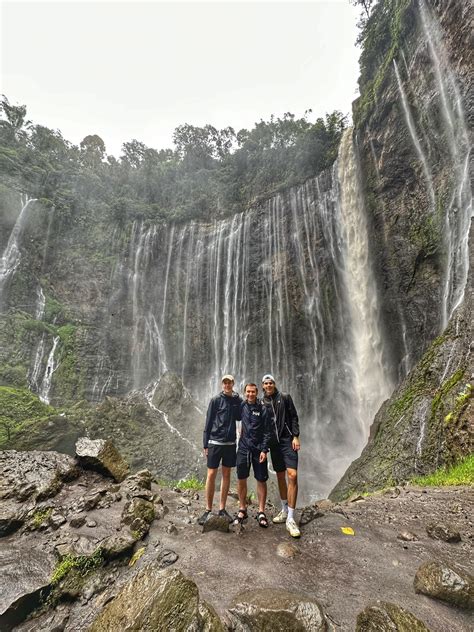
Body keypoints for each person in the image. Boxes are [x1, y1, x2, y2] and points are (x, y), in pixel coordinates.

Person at [261, 374, 301, 538]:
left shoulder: (284, 397)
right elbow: (262, 426)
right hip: (273, 444)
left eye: (271, 383)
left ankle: (291, 518)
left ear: (274, 384)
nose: (269, 385)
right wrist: (264, 448)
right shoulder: (262, 403)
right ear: (263, 386)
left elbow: (293, 417)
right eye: (266, 383)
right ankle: (284, 509)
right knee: (280, 476)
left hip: (287, 441)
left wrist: (296, 436)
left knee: (292, 475)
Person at [199, 374, 242, 525]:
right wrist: (205, 444)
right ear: (222, 384)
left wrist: (237, 400)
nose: (227, 385)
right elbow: (208, 421)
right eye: (225, 382)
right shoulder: (215, 400)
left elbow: (240, 416)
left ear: (233, 384)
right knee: (211, 474)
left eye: (229, 382)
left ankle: (222, 509)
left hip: (230, 443)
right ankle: (208, 509)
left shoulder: (237, 401)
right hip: (214, 442)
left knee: (226, 474)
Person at [234, 383, 272, 528]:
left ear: (257, 393)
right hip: (243, 448)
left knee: (261, 479)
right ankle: (242, 508)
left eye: (253, 392)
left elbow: (267, 431)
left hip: (258, 450)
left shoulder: (263, 408)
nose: (250, 394)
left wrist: (264, 450)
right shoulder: (242, 406)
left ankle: (261, 511)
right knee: (241, 478)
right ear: (245, 393)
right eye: (248, 392)